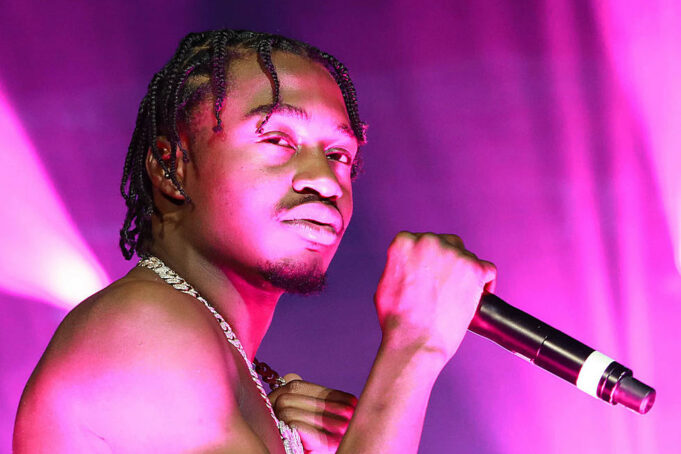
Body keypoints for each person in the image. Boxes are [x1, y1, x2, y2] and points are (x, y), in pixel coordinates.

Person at [13, 30, 496, 453]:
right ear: (169, 167)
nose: (325, 180)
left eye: (338, 154)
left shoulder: (226, 358)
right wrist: (414, 347)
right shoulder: (141, 327)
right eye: (278, 140)